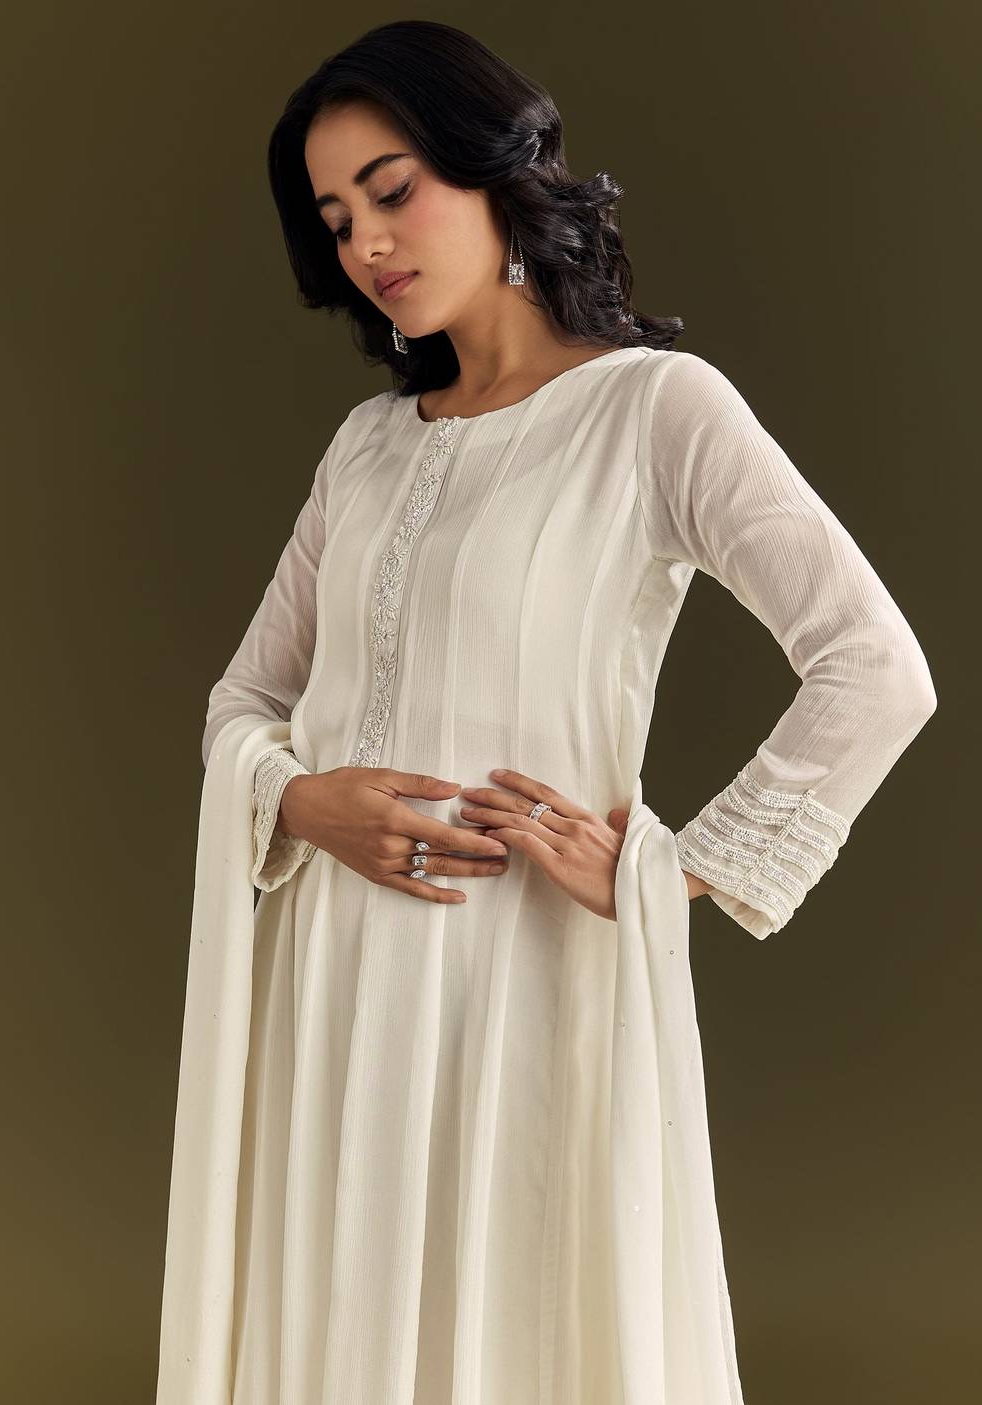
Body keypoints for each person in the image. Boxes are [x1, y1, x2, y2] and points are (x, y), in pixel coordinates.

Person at [154, 20, 937, 1405]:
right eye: (335, 221)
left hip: (515, 979)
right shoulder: (366, 450)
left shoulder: (655, 413)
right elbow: (245, 700)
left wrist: (673, 870)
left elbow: (874, 663)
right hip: (330, 982)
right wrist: (298, 800)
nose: (366, 244)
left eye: (392, 191)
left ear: (495, 170)